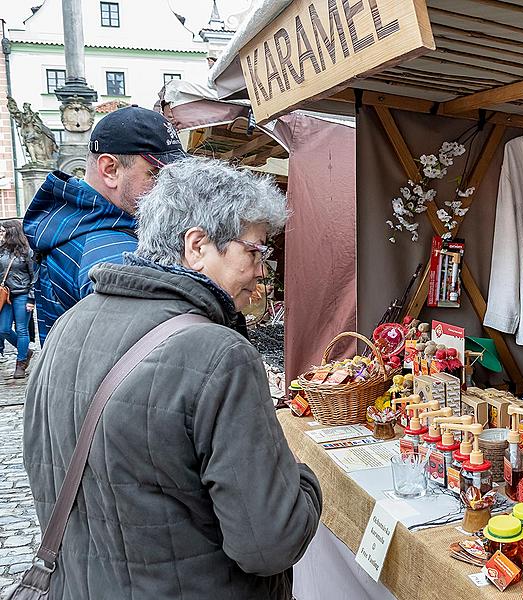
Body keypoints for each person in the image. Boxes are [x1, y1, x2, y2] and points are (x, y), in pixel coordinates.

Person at [23, 157, 322, 599]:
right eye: (255, 251)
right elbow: (269, 543)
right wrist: (304, 482)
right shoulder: (220, 354)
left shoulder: (69, 325)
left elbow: (43, 467)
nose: (262, 271)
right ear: (197, 245)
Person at [23, 105, 187, 342]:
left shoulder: (76, 223)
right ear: (110, 170)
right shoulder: (114, 258)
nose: (170, 188)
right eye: (156, 174)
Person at [0, 219, 36, 378]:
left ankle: (20, 363)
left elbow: (34, 277)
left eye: (3, 231)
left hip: (22, 294)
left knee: (22, 329)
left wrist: (31, 299)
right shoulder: (1, 250)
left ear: (11, 232)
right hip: (5, 295)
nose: (1, 234)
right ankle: (26, 351)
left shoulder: (27, 252)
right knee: (3, 329)